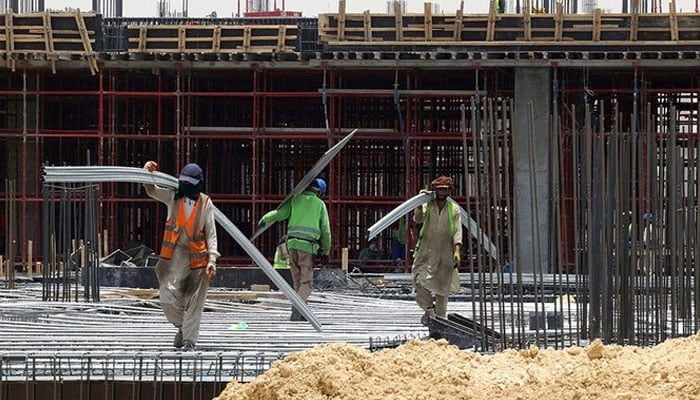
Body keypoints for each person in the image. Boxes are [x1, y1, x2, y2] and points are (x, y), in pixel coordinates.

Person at [143, 161, 219, 351]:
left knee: (195, 303)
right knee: (166, 298)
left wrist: (212, 260)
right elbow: (152, 190)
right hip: (174, 258)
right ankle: (182, 328)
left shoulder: (206, 203)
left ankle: (189, 341)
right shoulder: (172, 197)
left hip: (198, 260)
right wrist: (147, 172)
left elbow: (211, 234)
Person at [258, 178, 331, 321]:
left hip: (291, 245)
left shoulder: (295, 200)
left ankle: (301, 313)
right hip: (307, 247)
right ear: (320, 192)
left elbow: (279, 214)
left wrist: (264, 219)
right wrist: (325, 251)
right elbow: (325, 231)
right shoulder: (319, 204)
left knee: (297, 282)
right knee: (307, 283)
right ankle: (298, 308)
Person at [412, 175, 463, 326]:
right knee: (418, 281)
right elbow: (418, 219)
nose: (442, 192)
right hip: (426, 251)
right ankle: (429, 309)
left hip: (445, 253)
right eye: (439, 189)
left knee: (442, 289)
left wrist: (457, 250)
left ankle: (439, 321)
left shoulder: (454, 209)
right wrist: (419, 204)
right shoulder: (428, 206)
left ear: (449, 191)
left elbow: (457, 231)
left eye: (445, 189)